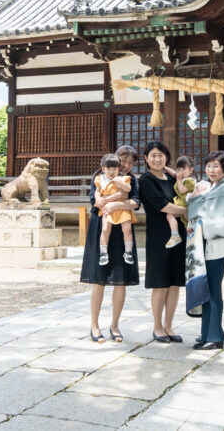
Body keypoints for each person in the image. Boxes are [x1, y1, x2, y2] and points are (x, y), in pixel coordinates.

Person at [80, 145, 141, 344]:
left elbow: (135, 201)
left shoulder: (131, 180)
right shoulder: (100, 177)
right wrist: (117, 199)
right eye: (124, 160)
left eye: (131, 162)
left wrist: (117, 203)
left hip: (123, 231)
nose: (126, 165)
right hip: (102, 228)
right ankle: (95, 325)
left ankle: (115, 325)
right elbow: (95, 202)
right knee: (99, 278)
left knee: (120, 279)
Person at [185, 150, 224, 350]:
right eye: (208, 166)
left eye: (216, 166)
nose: (211, 170)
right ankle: (207, 332)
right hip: (204, 245)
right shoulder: (211, 188)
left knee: (214, 291)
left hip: (216, 245)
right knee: (207, 289)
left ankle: (215, 336)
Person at [139, 141, 186, 343]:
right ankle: (157, 327)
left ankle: (169, 325)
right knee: (160, 283)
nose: (157, 159)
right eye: (153, 155)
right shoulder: (146, 179)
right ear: (146, 159)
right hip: (159, 237)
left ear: (167, 158)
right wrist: (187, 211)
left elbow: (181, 179)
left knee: (174, 283)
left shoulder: (170, 178)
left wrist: (171, 171)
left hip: (179, 234)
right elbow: (162, 205)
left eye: (161, 155)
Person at [95, 154, 135, 265]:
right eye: (108, 169)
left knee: (127, 229)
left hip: (122, 208)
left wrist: (120, 182)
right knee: (105, 229)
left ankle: (128, 251)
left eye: (114, 169)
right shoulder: (100, 179)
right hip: (107, 209)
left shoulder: (122, 178)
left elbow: (127, 189)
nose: (111, 172)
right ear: (103, 169)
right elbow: (97, 191)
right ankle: (103, 253)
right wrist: (98, 198)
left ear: (119, 169)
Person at [166, 156, 196, 249]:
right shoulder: (182, 177)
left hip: (186, 205)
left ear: (191, 170)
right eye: (178, 169)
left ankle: (176, 236)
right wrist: (164, 167)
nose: (180, 171)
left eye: (183, 168)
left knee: (189, 224)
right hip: (182, 205)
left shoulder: (190, 181)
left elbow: (182, 190)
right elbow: (173, 173)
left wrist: (178, 180)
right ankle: (175, 235)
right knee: (170, 215)